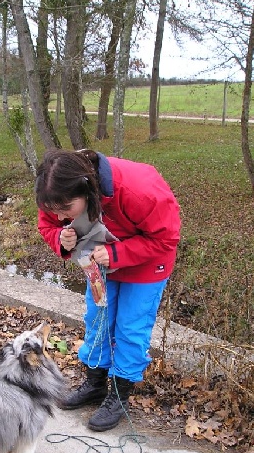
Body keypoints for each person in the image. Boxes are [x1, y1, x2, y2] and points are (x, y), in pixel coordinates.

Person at [35, 149, 181, 431]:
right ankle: (95, 383)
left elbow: (166, 239)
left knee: (130, 327)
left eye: (66, 210)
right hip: (99, 264)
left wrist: (117, 254)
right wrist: (60, 237)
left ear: (88, 190)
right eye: (56, 210)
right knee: (97, 320)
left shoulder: (139, 190)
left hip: (147, 264)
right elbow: (47, 224)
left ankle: (119, 393)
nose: (60, 215)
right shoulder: (56, 191)